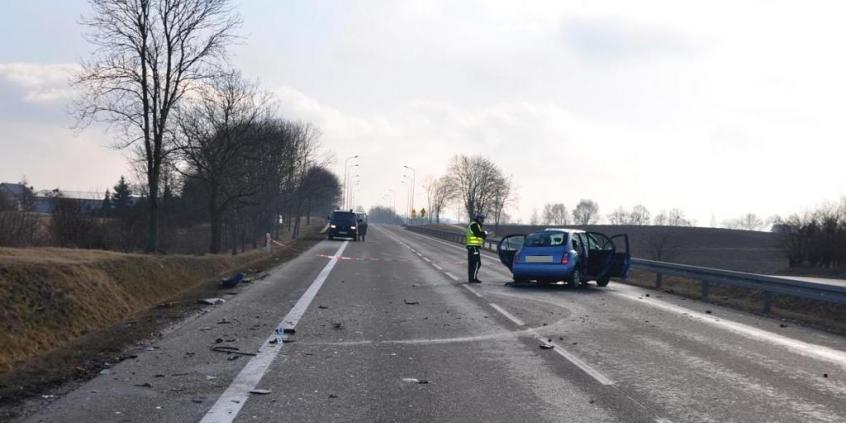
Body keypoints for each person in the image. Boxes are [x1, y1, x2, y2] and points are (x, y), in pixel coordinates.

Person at [465, 213, 488, 283]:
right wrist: (484, 233)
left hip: (473, 247)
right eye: (482, 219)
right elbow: (477, 234)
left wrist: (484, 234)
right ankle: (473, 279)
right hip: (473, 247)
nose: (483, 221)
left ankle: (472, 278)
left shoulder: (476, 225)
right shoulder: (474, 225)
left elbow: (479, 236)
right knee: (477, 263)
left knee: (473, 263)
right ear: (478, 218)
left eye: (483, 219)